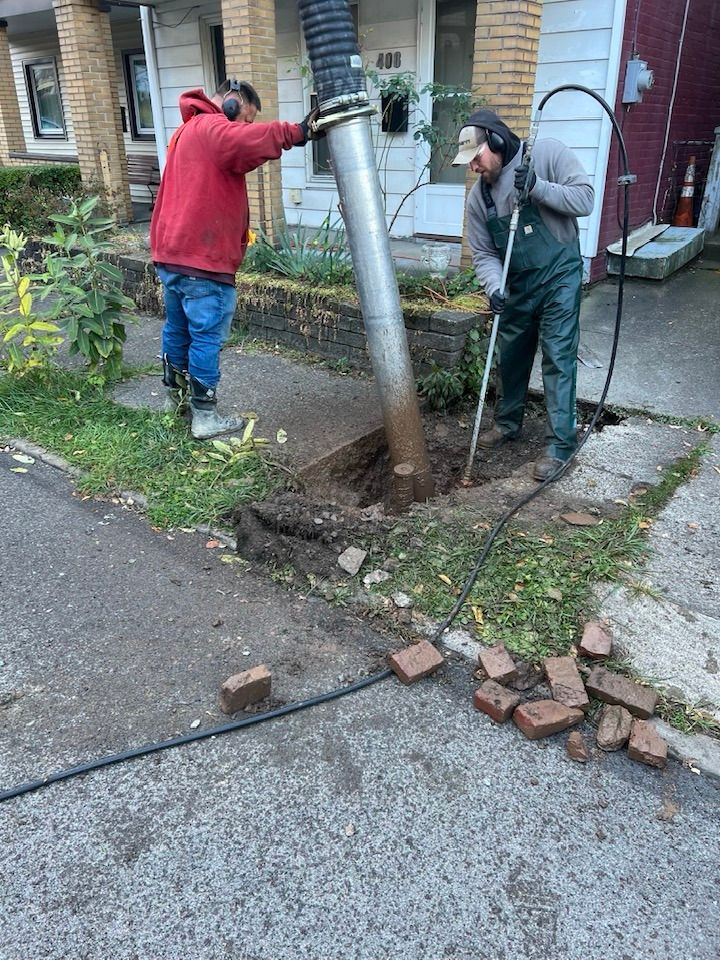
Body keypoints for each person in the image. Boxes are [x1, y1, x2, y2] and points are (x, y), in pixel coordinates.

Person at [150, 79, 322, 439]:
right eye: (243, 118)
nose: (242, 128)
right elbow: (244, 140)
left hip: (173, 255)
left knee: (178, 330)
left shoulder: (187, 131)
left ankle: (175, 402)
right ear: (230, 104)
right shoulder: (213, 127)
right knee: (206, 336)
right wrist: (298, 132)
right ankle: (204, 417)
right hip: (202, 259)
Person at [453, 109, 594, 481]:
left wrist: (537, 187)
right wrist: (495, 287)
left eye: (476, 158)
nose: (474, 168)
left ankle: (561, 445)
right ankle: (506, 424)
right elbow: (483, 253)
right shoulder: (479, 199)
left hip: (558, 277)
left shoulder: (546, 154)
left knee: (557, 355)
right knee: (511, 355)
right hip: (516, 285)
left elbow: (585, 199)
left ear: (495, 142)